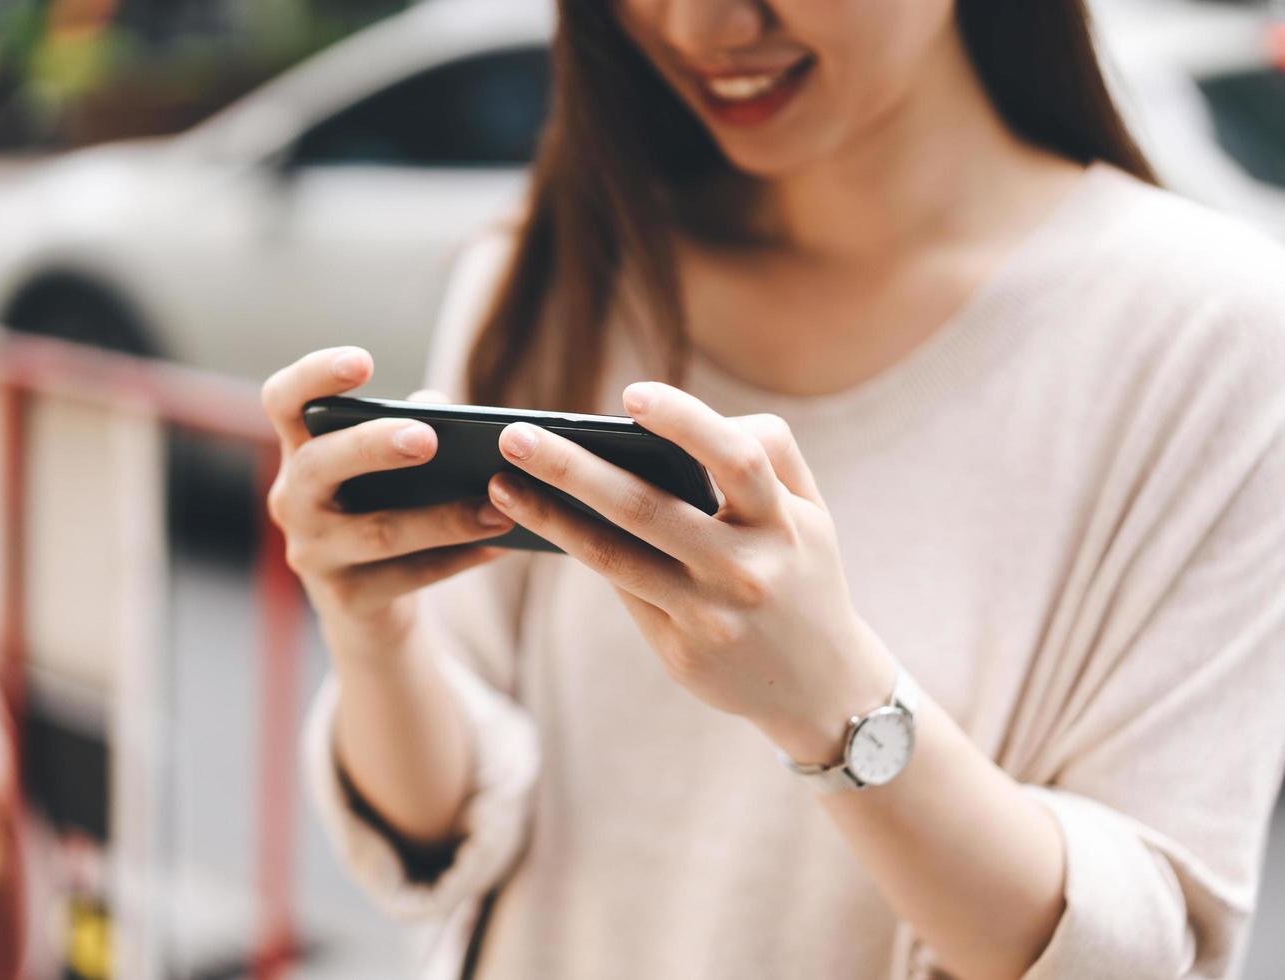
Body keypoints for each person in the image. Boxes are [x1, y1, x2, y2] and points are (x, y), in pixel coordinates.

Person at [261, 1, 1285, 977]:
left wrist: (834, 700)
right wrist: (373, 631)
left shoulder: (1216, 334)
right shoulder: (561, 262)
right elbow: (443, 830)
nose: (703, 28)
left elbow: (1146, 945)